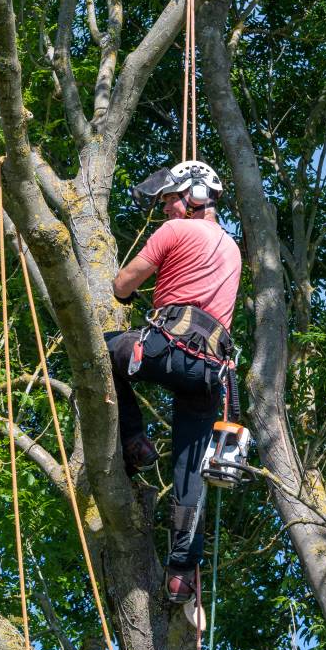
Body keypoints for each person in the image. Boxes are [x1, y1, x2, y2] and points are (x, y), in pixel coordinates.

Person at [107, 160, 241, 603]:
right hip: (209, 372)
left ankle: (134, 441)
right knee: (190, 467)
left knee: (105, 352)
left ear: (196, 197)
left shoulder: (174, 233)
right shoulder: (233, 250)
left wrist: (138, 284)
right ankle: (182, 571)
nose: (165, 208)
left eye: (170, 200)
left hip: (167, 349)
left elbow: (123, 286)